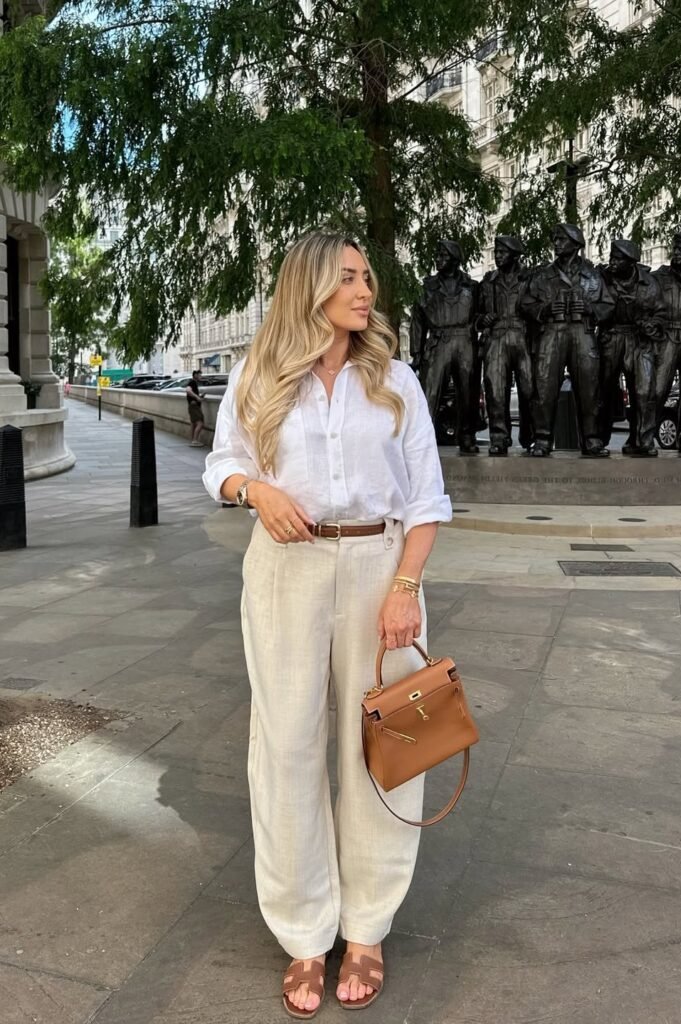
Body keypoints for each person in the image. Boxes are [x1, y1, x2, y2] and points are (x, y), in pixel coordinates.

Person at [203, 231, 452, 1018]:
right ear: (308, 287)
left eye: (366, 276)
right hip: (287, 569)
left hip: (382, 565)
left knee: (387, 744)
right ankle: (306, 933)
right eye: (347, 277)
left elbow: (426, 499)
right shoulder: (257, 373)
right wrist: (254, 490)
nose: (364, 289)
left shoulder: (395, 380)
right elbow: (220, 464)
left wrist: (405, 587)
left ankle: (367, 927)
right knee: (287, 746)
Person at [521, 223, 614, 457]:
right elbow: (526, 303)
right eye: (555, 239)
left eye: (561, 240)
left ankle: (591, 440)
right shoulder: (543, 275)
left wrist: (590, 309)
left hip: (583, 332)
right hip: (552, 333)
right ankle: (542, 439)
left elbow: (608, 305)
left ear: (575, 244)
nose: (556, 244)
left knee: (589, 388)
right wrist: (545, 309)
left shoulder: (592, 275)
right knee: (544, 386)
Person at [409, 239, 480, 454]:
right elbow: (417, 321)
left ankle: (467, 436)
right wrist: (417, 352)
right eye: (438, 255)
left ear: (455, 259)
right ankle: (421, 441)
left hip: (465, 341)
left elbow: (481, 314)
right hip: (438, 342)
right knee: (429, 394)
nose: (438, 259)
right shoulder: (426, 287)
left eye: (443, 255)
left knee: (468, 393)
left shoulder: (472, 286)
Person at [599, 239, 665, 455]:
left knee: (644, 391)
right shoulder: (602, 278)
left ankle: (642, 440)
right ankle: (597, 439)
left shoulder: (649, 283)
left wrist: (652, 325)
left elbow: (661, 313)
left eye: (617, 259)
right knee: (603, 390)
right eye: (611, 257)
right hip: (611, 337)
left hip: (639, 340)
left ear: (630, 262)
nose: (612, 262)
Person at [477, 235, 534, 455]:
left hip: (523, 337)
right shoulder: (488, 282)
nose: (498, 256)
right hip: (497, 338)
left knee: (529, 389)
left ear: (515, 255)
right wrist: (483, 320)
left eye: (503, 252)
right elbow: (475, 315)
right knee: (495, 390)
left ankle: (529, 436)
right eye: (496, 252)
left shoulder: (529, 279)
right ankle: (499, 438)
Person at [653, 232, 681, 454]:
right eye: (676, 248)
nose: (677, 252)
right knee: (658, 389)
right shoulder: (660, 277)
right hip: (668, 336)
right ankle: (643, 436)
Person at [186, 369, 205, 446]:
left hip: (193, 406)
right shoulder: (192, 382)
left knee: (194, 423)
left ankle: (193, 440)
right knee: (200, 423)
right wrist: (197, 397)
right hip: (194, 406)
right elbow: (188, 390)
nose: (201, 377)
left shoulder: (194, 383)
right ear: (195, 375)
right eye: (200, 375)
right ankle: (195, 440)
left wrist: (199, 396)